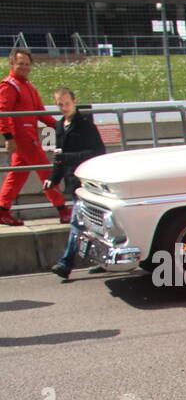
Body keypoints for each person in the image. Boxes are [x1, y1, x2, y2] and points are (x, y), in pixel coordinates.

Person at [0, 48, 69, 227]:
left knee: (17, 176)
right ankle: (63, 211)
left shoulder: (28, 86)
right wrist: (8, 137)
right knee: (46, 172)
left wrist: (61, 126)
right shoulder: (9, 85)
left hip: (29, 135)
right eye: (20, 63)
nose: (24, 67)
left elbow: (40, 113)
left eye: (27, 64)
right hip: (23, 137)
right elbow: (3, 111)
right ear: (12, 64)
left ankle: (2, 210)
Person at [45, 87, 104, 280]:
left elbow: (97, 152)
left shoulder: (86, 124)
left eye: (67, 103)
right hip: (72, 180)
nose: (64, 107)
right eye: (60, 104)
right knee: (89, 223)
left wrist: (67, 157)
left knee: (77, 221)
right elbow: (58, 157)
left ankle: (65, 262)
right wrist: (53, 179)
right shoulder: (60, 125)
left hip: (86, 180)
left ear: (74, 102)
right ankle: (101, 260)